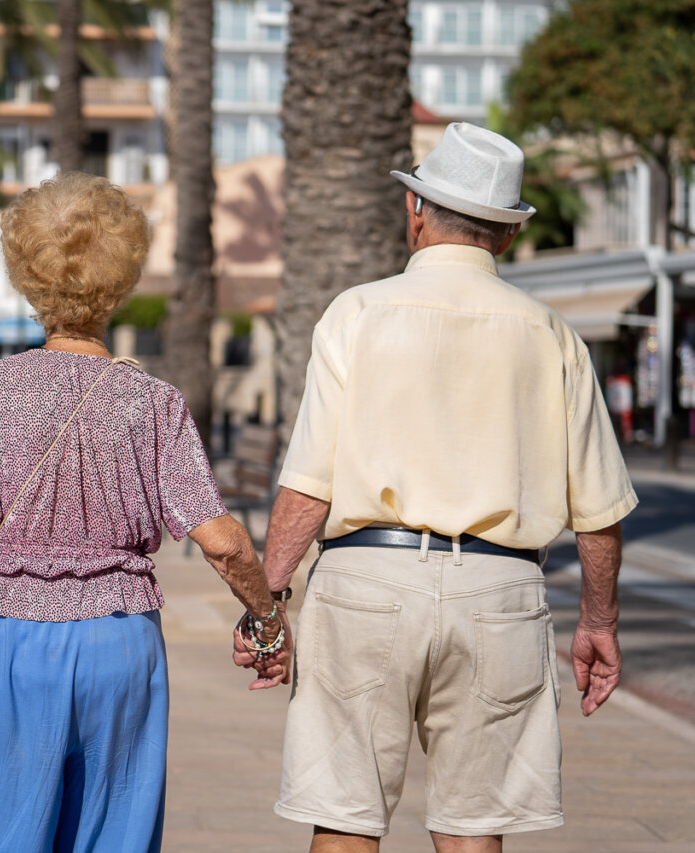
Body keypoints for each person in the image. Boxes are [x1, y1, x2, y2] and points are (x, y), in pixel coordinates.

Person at [235, 123, 639, 852]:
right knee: (472, 827)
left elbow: (308, 489)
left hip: (365, 583)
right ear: (508, 237)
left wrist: (268, 609)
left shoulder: (356, 314)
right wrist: (599, 622)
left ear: (416, 211)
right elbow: (600, 514)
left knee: (346, 816)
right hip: (502, 592)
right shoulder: (554, 335)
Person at [0, 171, 281, 851]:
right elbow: (224, 541)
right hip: (119, 645)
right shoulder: (152, 401)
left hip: (9, 640)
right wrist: (268, 621)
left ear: (28, 277)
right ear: (119, 280)